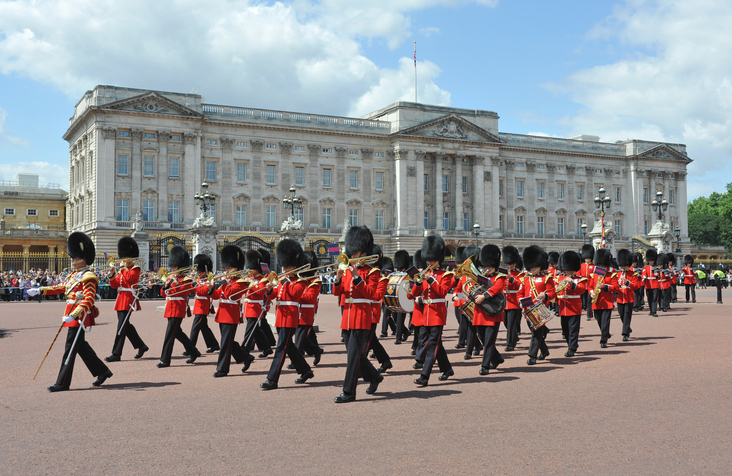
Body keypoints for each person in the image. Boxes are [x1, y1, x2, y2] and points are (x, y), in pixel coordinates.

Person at [31, 232, 113, 392]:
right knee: (80, 346)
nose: (72, 259)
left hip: (79, 316)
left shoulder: (88, 276)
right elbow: (59, 288)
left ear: (83, 258)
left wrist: (74, 315)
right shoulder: (74, 275)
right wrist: (40, 290)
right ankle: (103, 371)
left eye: (75, 257)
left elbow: (89, 300)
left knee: (70, 347)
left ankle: (62, 383)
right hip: (71, 314)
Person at [332, 226, 383, 403]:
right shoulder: (347, 270)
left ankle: (349, 392)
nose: (353, 256)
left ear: (363, 252)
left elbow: (374, 295)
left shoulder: (372, 272)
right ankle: (374, 376)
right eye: (352, 253)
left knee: (353, 357)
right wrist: (338, 279)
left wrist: (356, 278)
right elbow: (338, 293)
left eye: (356, 253)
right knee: (355, 356)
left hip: (362, 316)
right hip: (347, 316)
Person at [260, 239, 315, 390]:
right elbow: (275, 295)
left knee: (281, 349)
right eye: (284, 266)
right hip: (280, 317)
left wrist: (284, 282)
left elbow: (295, 294)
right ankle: (305, 370)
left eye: (287, 266)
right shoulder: (284, 281)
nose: (284, 269)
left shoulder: (300, 281)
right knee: (289, 347)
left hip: (290, 317)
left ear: (294, 266)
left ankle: (272, 379)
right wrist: (270, 289)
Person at [412, 234, 455, 386]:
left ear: (438, 259)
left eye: (431, 259)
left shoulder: (446, 275)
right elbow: (414, 294)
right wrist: (418, 283)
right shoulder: (424, 275)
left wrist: (430, 279)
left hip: (437, 313)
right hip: (426, 314)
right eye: (427, 259)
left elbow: (443, 292)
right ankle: (447, 369)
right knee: (437, 345)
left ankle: (424, 376)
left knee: (432, 346)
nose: (429, 262)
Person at [210, 245, 254, 377]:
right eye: (226, 267)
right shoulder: (227, 282)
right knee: (227, 341)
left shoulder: (241, 282)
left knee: (225, 343)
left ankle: (222, 369)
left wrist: (223, 283)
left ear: (235, 268)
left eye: (228, 268)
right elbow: (216, 295)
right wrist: (211, 288)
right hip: (222, 314)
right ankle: (246, 357)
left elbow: (232, 295)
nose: (226, 270)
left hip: (231, 315)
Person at [106, 236, 149, 362]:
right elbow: (115, 285)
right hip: (121, 299)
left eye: (125, 257)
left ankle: (116, 353)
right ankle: (141, 346)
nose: (123, 259)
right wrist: (112, 275)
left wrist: (122, 269)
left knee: (121, 327)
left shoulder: (135, 269)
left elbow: (129, 279)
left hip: (129, 300)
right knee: (126, 326)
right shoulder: (123, 270)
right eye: (123, 257)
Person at [158, 246, 201, 368]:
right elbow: (163, 293)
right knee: (177, 333)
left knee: (169, 335)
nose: (172, 269)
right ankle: (194, 351)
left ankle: (165, 360)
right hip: (170, 307)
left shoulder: (186, 280)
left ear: (180, 267)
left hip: (178, 308)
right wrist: (166, 285)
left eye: (174, 266)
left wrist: (173, 282)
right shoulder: (173, 279)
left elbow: (182, 292)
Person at [471, 244, 506, 376]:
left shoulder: (499, 277)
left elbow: (498, 288)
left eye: (489, 266)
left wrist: (484, 295)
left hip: (492, 313)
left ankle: (485, 366)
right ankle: (497, 358)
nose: (487, 268)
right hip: (480, 313)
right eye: (486, 266)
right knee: (483, 339)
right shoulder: (479, 278)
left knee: (490, 340)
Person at [519, 245, 556, 365]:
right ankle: (544, 351)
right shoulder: (525, 279)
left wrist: (545, 296)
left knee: (535, 334)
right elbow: (521, 293)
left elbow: (552, 293)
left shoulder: (546, 278)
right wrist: (520, 302)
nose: (533, 268)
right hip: (527, 310)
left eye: (535, 266)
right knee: (536, 332)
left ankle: (532, 356)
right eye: (532, 266)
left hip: (540, 310)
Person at [239, 249, 274, 358]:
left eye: (252, 269)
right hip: (248, 307)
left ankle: (244, 352)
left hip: (255, 308)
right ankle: (267, 348)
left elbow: (260, 292)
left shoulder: (263, 280)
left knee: (249, 332)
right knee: (256, 330)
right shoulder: (251, 279)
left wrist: (250, 283)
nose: (249, 270)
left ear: (257, 269)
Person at [294, 250, 324, 366]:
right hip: (297, 312)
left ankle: (296, 361)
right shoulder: (299, 281)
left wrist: (295, 294)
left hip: (306, 314)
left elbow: (309, 297)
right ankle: (316, 350)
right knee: (302, 339)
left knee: (299, 341)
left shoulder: (315, 282)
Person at [366, 245, 393, 373]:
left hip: (372, 312)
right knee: (371, 340)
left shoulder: (382, 279)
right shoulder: (365, 275)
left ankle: (361, 366)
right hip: (363, 312)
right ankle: (385, 361)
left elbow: (376, 296)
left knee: (367, 340)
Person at [186, 254, 220, 354]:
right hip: (198, 305)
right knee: (204, 327)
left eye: (200, 270)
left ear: (205, 270)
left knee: (195, 327)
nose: (198, 272)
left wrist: (194, 285)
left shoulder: (209, 280)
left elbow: (203, 291)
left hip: (203, 306)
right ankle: (214, 345)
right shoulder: (199, 280)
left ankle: (190, 348)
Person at [555, 251, 586, 357]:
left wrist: (572, 283)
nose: (568, 271)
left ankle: (571, 348)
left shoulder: (579, 279)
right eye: (567, 269)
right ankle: (572, 345)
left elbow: (581, 290)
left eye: (570, 269)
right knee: (565, 329)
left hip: (574, 307)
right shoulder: (560, 278)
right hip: (563, 306)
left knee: (573, 329)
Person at [589, 249, 619, 348]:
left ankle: (603, 340)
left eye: (603, 266)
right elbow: (590, 286)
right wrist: (591, 292)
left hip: (607, 302)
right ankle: (605, 333)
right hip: (596, 301)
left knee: (605, 321)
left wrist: (605, 286)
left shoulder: (612, 275)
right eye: (600, 266)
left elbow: (616, 287)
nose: (601, 267)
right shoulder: (594, 275)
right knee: (598, 320)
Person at [615, 249, 643, 341]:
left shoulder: (633, 274)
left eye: (625, 266)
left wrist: (627, 283)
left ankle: (625, 333)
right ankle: (628, 328)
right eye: (622, 266)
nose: (624, 267)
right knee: (621, 315)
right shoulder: (617, 274)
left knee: (627, 315)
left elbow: (636, 286)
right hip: (620, 297)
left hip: (629, 297)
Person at [502, 245, 523, 352]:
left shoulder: (519, 274)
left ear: (514, 264)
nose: (509, 265)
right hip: (505, 301)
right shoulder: (503, 273)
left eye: (510, 264)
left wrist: (511, 279)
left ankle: (510, 344)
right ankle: (514, 336)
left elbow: (519, 285)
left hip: (514, 302)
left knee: (511, 325)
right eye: (507, 264)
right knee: (506, 322)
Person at [392, 250, 412, 344]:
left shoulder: (411, 271)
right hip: (397, 297)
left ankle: (398, 337)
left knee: (400, 316)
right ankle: (405, 331)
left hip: (407, 297)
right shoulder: (396, 273)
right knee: (395, 316)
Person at [642, 249, 660, 317]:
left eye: (652, 260)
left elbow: (660, 275)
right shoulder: (645, 267)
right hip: (648, 285)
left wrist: (657, 275)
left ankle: (654, 311)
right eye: (650, 261)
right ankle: (651, 310)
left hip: (655, 284)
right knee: (649, 298)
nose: (651, 262)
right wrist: (643, 277)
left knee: (655, 298)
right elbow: (644, 274)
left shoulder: (657, 268)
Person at [579, 244, 595, 321]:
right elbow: (578, 275)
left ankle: (589, 315)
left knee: (589, 300)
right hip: (582, 284)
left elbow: (600, 274)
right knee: (582, 300)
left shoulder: (594, 266)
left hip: (590, 284)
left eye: (588, 258)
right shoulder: (581, 266)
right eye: (586, 258)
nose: (587, 259)